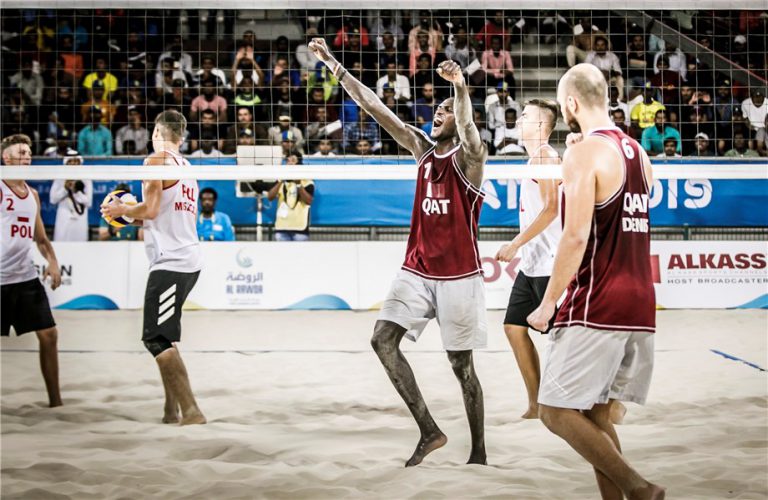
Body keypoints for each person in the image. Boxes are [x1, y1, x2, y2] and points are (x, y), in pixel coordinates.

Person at [310, 38, 488, 467]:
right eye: (436, 110)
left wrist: (460, 88)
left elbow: (467, 128)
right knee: (381, 340)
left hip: (459, 275)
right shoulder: (421, 151)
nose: (436, 115)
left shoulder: (470, 159)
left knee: (461, 367)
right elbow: (375, 107)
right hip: (417, 269)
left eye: (442, 112)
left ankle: (479, 452)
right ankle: (429, 430)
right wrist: (333, 64)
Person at [527, 64, 664, 500]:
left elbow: (577, 234)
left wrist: (549, 301)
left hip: (599, 300)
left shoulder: (584, 153)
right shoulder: (636, 151)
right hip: (641, 302)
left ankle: (640, 489)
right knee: (598, 419)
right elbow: (642, 196)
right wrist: (582, 150)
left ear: (570, 103)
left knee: (553, 410)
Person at [101, 110, 206, 426]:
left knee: (155, 338)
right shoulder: (187, 168)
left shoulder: (155, 161)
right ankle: (170, 410)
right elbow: (159, 214)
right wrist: (129, 216)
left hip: (171, 263)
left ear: (156, 132)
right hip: (187, 260)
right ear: (182, 136)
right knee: (167, 337)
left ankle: (192, 411)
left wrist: (121, 209)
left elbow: (150, 209)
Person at [494, 99, 561, 419]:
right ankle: (536, 404)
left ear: (539, 126)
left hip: (551, 262)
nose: (518, 121)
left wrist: (515, 244)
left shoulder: (546, 156)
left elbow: (552, 208)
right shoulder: (535, 158)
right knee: (513, 327)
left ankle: (601, 400)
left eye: (524, 116)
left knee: (566, 338)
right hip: (533, 262)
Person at [1, 134, 63, 407]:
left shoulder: (33, 195)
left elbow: (40, 239)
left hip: (25, 278)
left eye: (28, 152)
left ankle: (55, 401)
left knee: (49, 335)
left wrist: (52, 261)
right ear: (6, 157)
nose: (27, 156)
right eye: (21, 152)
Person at [266, 150, 314, 241]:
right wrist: (281, 180)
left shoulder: (307, 181)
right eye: (288, 160)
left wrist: (299, 185)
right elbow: (270, 197)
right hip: (281, 228)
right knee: (281, 255)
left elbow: (309, 201)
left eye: (293, 160)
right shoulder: (281, 181)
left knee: (299, 255)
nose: (289, 163)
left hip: (300, 229)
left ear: (299, 164)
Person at [50, 152, 92, 241]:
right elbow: (53, 199)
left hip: (80, 216)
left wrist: (76, 192)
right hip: (63, 216)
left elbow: (89, 202)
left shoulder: (86, 178)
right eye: (71, 161)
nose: (73, 164)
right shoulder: (60, 177)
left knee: (80, 245)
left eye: (76, 161)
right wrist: (65, 189)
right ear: (66, 163)